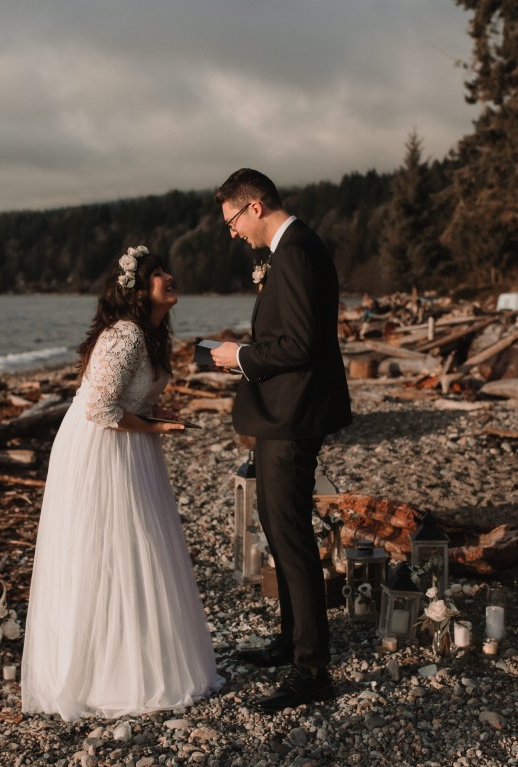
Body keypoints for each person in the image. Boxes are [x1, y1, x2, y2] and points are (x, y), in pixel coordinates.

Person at [20, 245, 224, 721]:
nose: (168, 277)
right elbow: (98, 409)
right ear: (136, 290)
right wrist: (153, 428)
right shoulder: (127, 335)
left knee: (139, 549)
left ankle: (141, 665)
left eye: (165, 270)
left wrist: (155, 415)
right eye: (156, 275)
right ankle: (106, 675)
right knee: (112, 549)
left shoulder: (151, 334)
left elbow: (127, 398)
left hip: (129, 446)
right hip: (100, 449)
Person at [210, 168, 352, 711]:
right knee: (276, 523)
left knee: (289, 535)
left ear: (255, 206)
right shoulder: (294, 248)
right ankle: (291, 642)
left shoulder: (295, 252)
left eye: (232, 221)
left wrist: (239, 357)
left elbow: (301, 345)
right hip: (284, 412)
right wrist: (242, 354)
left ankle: (313, 670)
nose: (232, 233)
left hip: (293, 416)